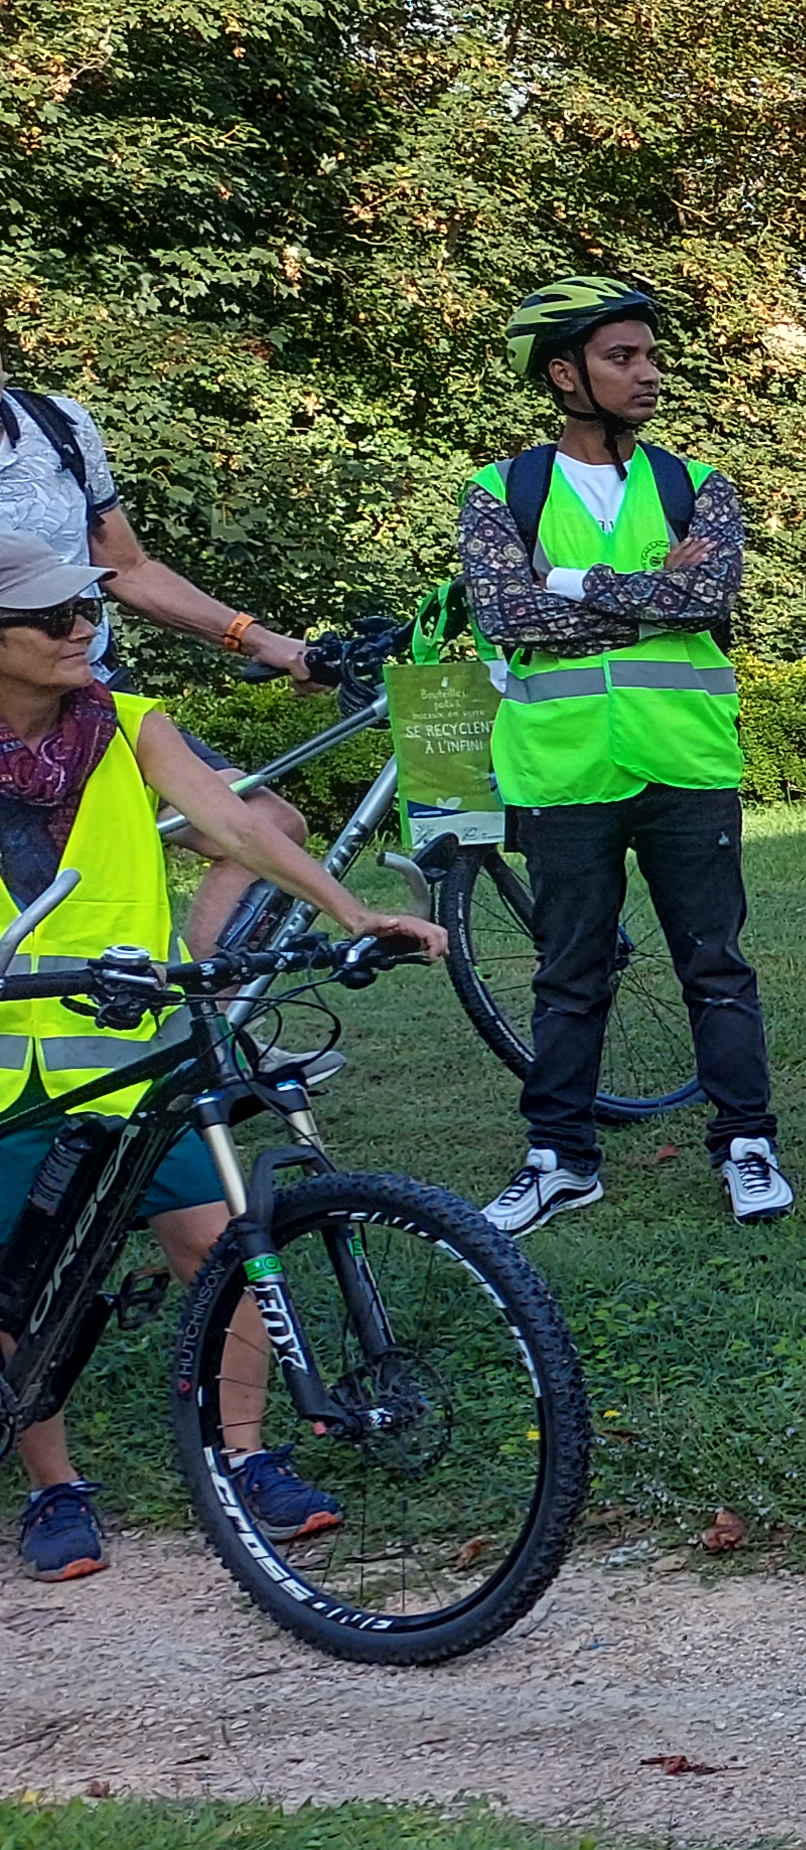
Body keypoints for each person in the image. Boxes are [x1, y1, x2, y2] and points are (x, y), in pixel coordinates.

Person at [0, 531, 450, 1581]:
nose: (83, 630)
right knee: (12, 1289)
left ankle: (245, 1454)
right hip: (4, 1070)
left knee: (224, 1243)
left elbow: (243, 832)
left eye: (86, 610)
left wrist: (351, 909)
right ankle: (54, 1486)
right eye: (54, 616)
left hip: (131, 1053)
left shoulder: (128, 727)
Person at [463, 276, 787, 1236]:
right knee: (569, 971)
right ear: (563, 374)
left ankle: (747, 1142)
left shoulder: (697, 484)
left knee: (715, 963)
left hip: (685, 762)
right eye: (622, 357)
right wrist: (649, 582)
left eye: (649, 354)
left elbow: (710, 599)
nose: (648, 372)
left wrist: (564, 579)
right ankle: (559, 1157)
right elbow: (503, 613)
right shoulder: (499, 492)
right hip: (562, 772)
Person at [0, 328, 325, 955]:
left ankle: (215, 1040)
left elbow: (127, 567)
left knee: (268, 828)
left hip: (87, 698)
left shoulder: (55, 426)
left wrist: (261, 641)